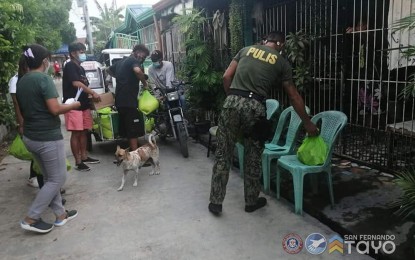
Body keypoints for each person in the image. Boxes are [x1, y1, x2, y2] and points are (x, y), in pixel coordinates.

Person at [208, 31, 319, 215]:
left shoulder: (245, 50)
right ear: (281, 45)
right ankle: (251, 202)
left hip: (232, 102)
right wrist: (307, 123)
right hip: (255, 106)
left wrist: (233, 99)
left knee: (223, 154)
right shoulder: (282, 62)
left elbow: (226, 77)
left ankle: (216, 202)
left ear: (264, 41)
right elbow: (293, 95)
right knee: (253, 156)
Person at [16, 44, 80, 233]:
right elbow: (54, 109)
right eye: (49, 59)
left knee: (49, 177)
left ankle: (61, 215)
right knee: (57, 179)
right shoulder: (43, 79)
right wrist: (74, 105)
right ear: (45, 61)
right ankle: (31, 218)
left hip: (31, 137)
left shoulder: (22, 80)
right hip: (47, 138)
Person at [63, 42, 101, 172]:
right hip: (73, 105)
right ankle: (78, 161)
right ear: (73, 53)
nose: (83, 54)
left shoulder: (81, 68)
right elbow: (76, 83)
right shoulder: (69, 66)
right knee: (76, 133)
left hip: (84, 104)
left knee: (85, 131)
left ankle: (84, 156)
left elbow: (84, 84)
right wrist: (92, 92)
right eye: (81, 51)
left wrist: (90, 98)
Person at [108, 44, 150, 151]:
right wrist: (145, 83)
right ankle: (135, 155)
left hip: (120, 100)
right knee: (133, 128)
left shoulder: (121, 62)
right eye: (143, 56)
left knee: (128, 126)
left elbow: (108, 70)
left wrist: (121, 77)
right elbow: (138, 71)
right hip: (128, 100)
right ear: (137, 52)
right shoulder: (133, 61)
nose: (143, 59)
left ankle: (131, 152)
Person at [8, 58, 39, 188]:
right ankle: (34, 177)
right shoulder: (16, 80)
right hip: (26, 120)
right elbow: (16, 105)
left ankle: (37, 176)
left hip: (34, 118)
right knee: (35, 150)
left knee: (37, 150)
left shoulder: (30, 78)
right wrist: (21, 124)